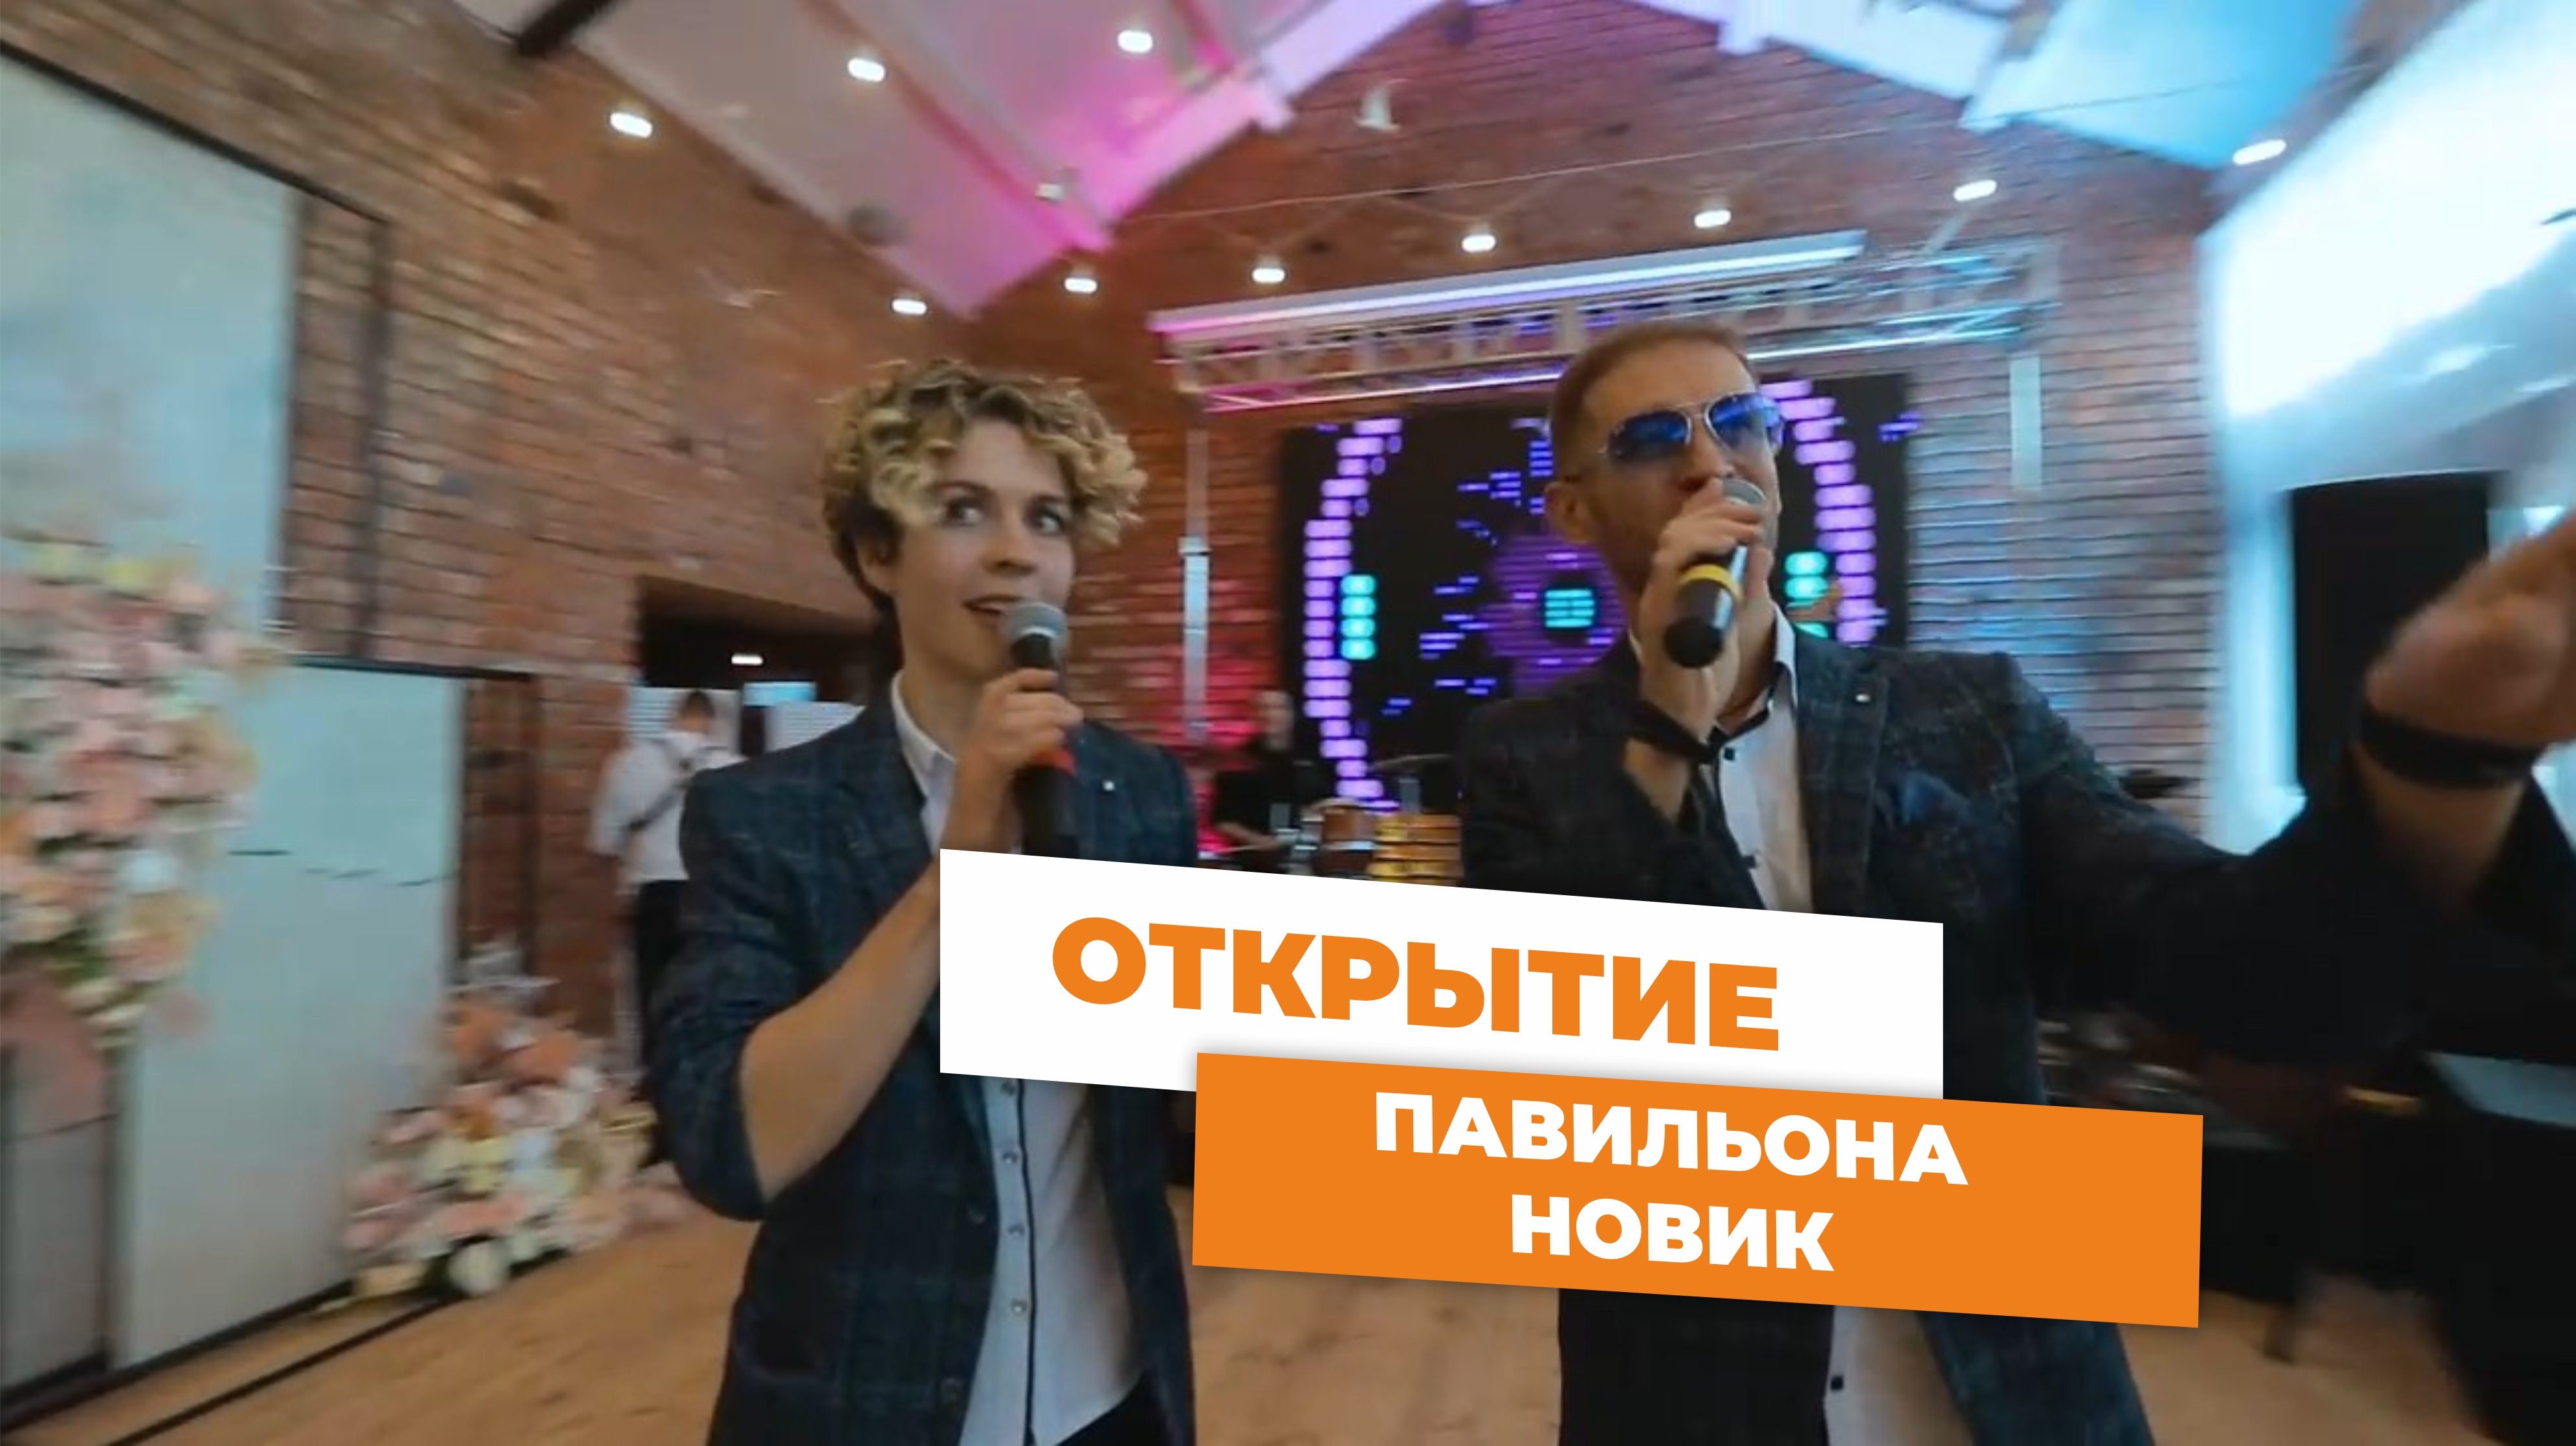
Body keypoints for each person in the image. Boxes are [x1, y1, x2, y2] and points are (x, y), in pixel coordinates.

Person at [1455, 317, 2576, 1445]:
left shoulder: (1967, 710)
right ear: (1574, 510)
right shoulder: (1527, 758)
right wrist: (1665, 720)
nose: (1711, 461)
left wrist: (2435, 749)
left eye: (1740, 421)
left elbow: (2240, 967)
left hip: (2012, 1389)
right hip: (1691, 1392)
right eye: (1655, 439)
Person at [649, 359, 1200, 1446]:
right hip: (860, 1406)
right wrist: (958, 872)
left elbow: (1177, 1107)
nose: (1016, 550)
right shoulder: (764, 817)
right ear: (876, 552)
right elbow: (729, 1147)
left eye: (1047, 517)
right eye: (962, 509)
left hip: (1113, 1396)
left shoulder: (1142, 794)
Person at [588, 687, 739, 1090]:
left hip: (653, 896)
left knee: (651, 997)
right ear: (712, 724)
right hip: (712, 898)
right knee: (709, 996)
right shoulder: (734, 769)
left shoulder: (627, 764)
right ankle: (707, 1083)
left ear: (672, 716)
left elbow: (604, 844)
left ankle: (657, 1088)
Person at [1207, 687, 1330, 860]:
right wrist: (1260, 842)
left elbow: (1325, 803)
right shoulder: (1236, 762)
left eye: (1279, 708)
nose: (1271, 715)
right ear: (1254, 715)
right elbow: (1222, 820)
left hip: (1307, 857)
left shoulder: (1311, 760)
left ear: (1292, 714)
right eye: (1264, 708)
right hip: (1253, 861)